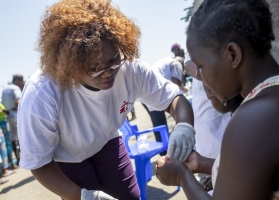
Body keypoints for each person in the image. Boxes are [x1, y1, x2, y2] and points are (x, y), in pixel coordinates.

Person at [17, 0, 195, 200]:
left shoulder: (131, 70)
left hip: (107, 141)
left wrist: (184, 127)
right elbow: (38, 163)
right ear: (71, 65)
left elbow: (174, 98)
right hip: (66, 157)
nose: (108, 73)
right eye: (93, 67)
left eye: (113, 60)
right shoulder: (42, 93)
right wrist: (81, 196)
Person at [156, 0, 279, 199]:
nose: (200, 77)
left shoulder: (254, 119)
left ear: (233, 55)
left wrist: (181, 177)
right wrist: (203, 165)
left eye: (200, 66)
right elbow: (259, 168)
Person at [184, 53, 231, 160]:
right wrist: (210, 80)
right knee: (212, 146)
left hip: (223, 96)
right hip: (208, 103)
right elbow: (188, 63)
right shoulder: (196, 39)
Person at [143, 56, 188, 145]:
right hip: (154, 93)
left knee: (158, 123)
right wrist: (184, 89)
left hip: (146, 93)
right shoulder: (177, 64)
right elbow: (177, 87)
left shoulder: (166, 62)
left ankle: (164, 146)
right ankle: (169, 147)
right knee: (177, 117)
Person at [1, 74, 23, 162]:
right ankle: (24, 157)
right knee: (21, 135)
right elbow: (18, 100)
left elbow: (3, 104)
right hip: (16, 114)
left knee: (13, 137)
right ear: (17, 80)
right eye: (20, 81)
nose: (21, 83)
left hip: (8, 115)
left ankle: (18, 159)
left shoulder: (5, 89)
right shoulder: (15, 88)